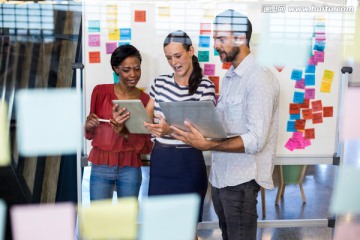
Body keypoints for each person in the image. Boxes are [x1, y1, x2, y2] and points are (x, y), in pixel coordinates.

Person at [170, 10, 280, 240]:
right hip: (222, 177)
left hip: (241, 181)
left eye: (221, 39)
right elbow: (222, 124)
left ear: (240, 38)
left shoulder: (259, 76)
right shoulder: (232, 76)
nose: (215, 45)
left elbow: (255, 140)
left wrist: (207, 145)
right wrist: (189, 125)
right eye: (214, 39)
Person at [144, 30, 216, 223]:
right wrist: (128, 118)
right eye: (169, 58)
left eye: (178, 56)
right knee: (160, 225)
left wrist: (169, 130)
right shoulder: (159, 83)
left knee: (186, 227)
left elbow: (202, 132)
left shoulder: (205, 86)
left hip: (188, 162)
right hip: (160, 160)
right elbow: (146, 118)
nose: (174, 62)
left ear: (191, 51)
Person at [84, 44, 153, 201]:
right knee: (99, 219)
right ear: (116, 69)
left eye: (137, 68)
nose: (133, 74)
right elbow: (89, 134)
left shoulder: (145, 100)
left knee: (127, 220)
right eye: (127, 70)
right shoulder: (100, 92)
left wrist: (125, 133)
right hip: (101, 165)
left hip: (129, 167)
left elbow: (147, 145)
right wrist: (88, 126)